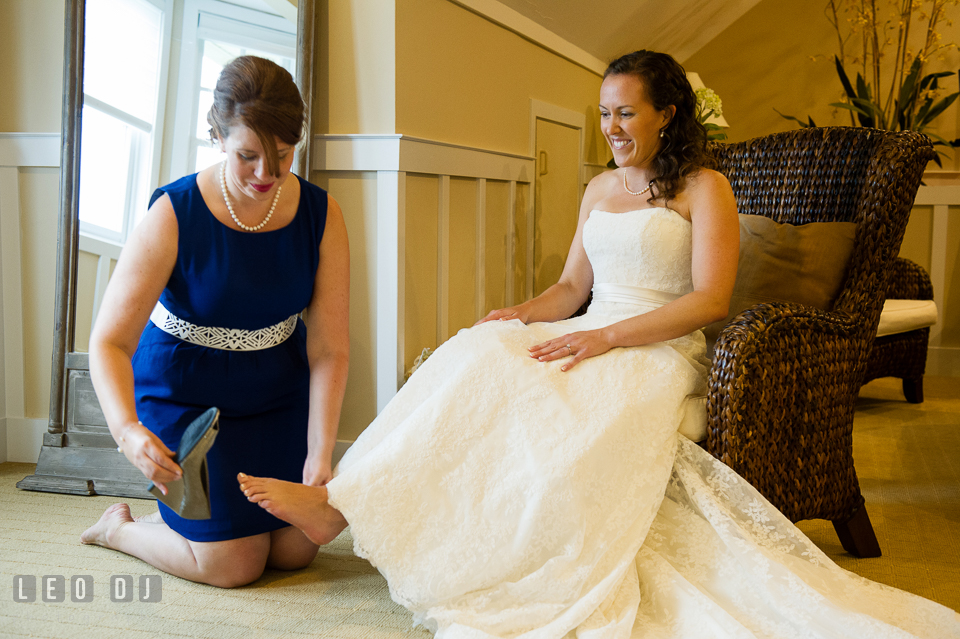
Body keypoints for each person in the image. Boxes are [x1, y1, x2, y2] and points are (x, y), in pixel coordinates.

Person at [240, 51, 959, 637]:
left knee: (567, 407)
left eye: (626, 112)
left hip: (658, 346)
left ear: (666, 114)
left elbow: (708, 300)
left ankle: (445, 533)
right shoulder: (598, 188)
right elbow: (567, 290)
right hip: (591, 327)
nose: (612, 126)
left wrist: (607, 339)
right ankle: (340, 498)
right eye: (606, 113)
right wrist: (517, 315)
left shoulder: (706, 188)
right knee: (477, 356)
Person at [80, 55, 350, 589]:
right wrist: (127, 430)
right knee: (236, 564)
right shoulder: (174, 212)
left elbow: (329, 349)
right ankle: (119, 531)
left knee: (298, 547)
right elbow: (108, 341)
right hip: (190, 400)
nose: (267, 175)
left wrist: (321, 451)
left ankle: (201, 524)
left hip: (276, 393)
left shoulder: (323, 215)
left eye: (282, 155)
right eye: (248, 156)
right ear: (217, 137)